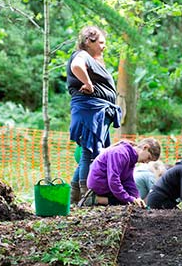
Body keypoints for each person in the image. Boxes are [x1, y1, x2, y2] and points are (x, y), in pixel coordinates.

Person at [67, 26, 122, 204]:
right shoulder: (81, 55)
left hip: (99, 111)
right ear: (88, 42)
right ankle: (88, 194)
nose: (104, 46)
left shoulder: (91, 58)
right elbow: (76, 66)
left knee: (88, 152)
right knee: (90, 153)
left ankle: (75, 195)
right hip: (91, 111)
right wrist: (88, 84)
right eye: (101, 42)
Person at [79, 138, 161, 207]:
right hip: (100, 183)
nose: (147, 162)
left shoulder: (131, 158)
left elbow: (128, 180)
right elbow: (113, 181)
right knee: (125, 201)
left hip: (106, 184)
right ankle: (95, 199)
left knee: (128, 199)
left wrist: (137, 197)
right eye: (149, 158)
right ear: (145, 147)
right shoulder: (120, 153)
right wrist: (130, 199)